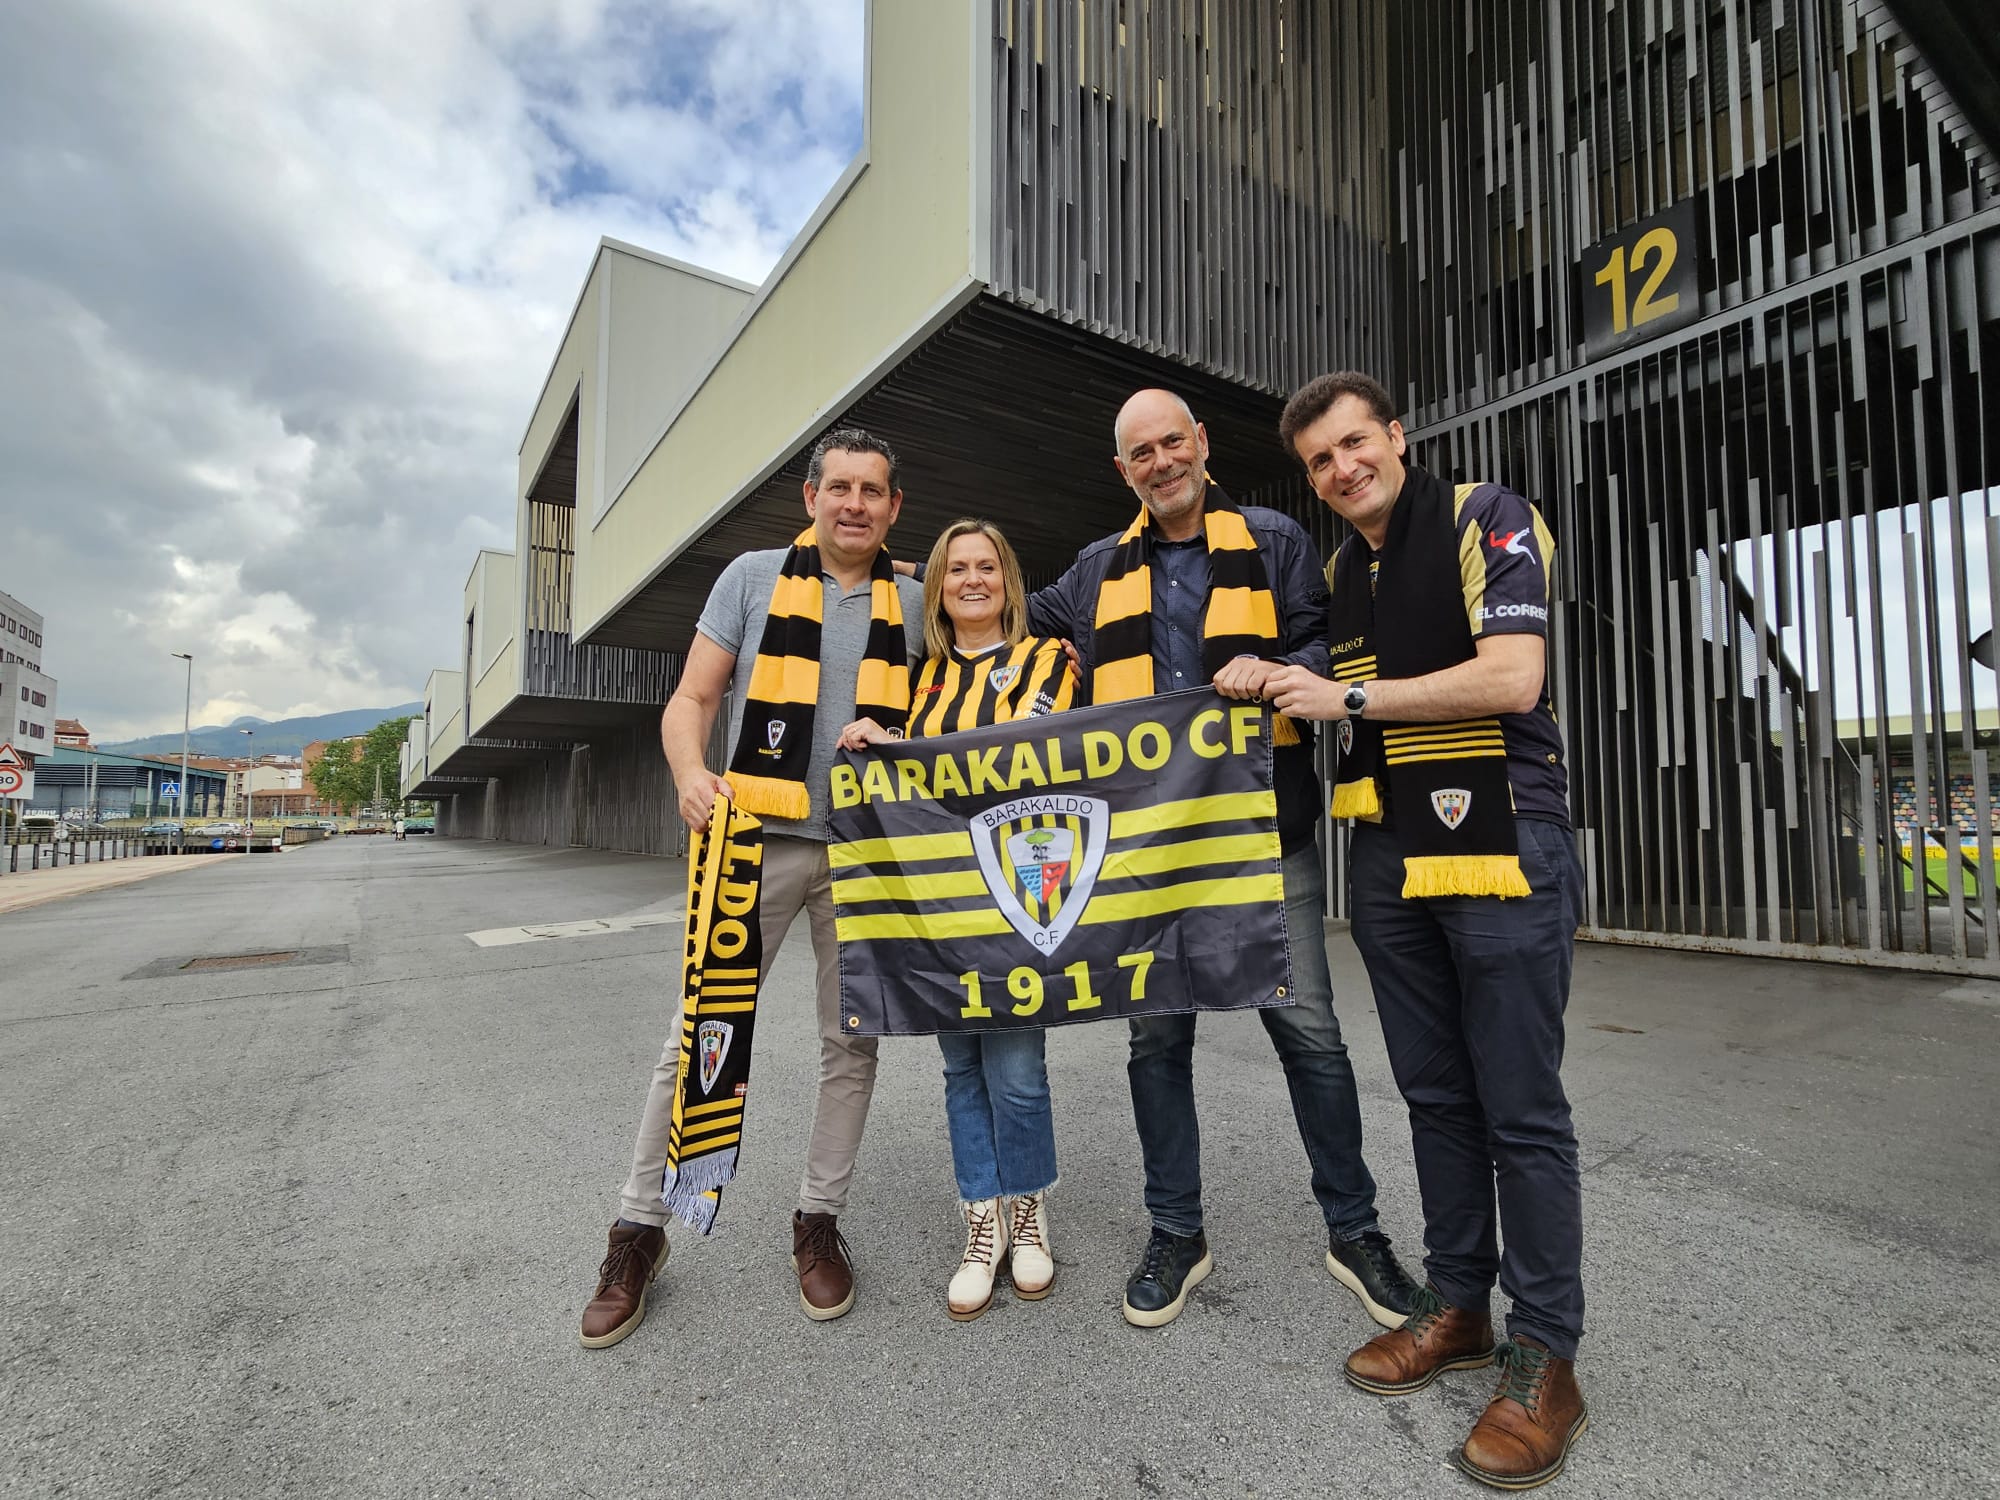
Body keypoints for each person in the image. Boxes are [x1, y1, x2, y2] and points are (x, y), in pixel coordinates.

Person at [1024, 387, 1416, 1330]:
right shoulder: (1090, 571)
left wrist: (1281, 671)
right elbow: (1002, 625)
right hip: (1142, 850)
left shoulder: (1277, 539)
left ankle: (1354, 1229)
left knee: (1311, 1035)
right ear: (1123, 472)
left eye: (1173, 443)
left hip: (1261, 833)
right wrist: (924, 584)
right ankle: (1176, 1231)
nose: (1160, 463)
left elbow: (1323, 642)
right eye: (1140, 454)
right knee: (1157, 1038)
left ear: (1201, 444)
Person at [1267, 371, 1587, 1490]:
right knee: (1436, 1095)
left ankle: (1545, 1357)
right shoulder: (1346, 572)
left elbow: (1510, 676)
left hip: (1503, 837)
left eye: (1355, 442)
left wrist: (1340, 703)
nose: (1342, 467)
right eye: (1319, 460)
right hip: (1393, 851)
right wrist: (1282, 678)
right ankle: (1459, 1307)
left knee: (1521, 1108)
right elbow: (1329, 681)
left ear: (1396, 435)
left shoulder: (1484, 515)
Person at [577, 427, 924, 1348]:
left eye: (872, 491)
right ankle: (638, 1231)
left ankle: (818, 1218)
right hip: (753, 842)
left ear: (894, 509)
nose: (855, 503)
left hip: (865, 848)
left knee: (852, 1044)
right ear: (808, 497)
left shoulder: (918, 602)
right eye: (838, 486)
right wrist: (692, 774)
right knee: (701, 1032)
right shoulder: (751, 577)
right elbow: (691, 699)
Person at [839, 518, 1080, 1321]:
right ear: (937, 588)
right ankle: (981, 1221)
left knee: (1015, 1071)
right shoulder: (922, 678)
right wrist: (883, 738)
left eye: (987, 567)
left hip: (1020, 891)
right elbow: (922, 775)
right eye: (956, 571)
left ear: (1009, 580)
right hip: (941, 904)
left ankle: (1028, 1211)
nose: (972, 581)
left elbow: (1068, 758)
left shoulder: (1052, 661)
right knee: (960, 1070)